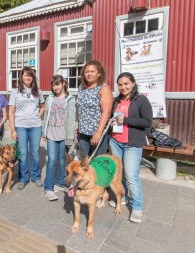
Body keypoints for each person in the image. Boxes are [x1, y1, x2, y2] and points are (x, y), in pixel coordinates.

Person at [108, 72, 152, 223]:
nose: (123, 87)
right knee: (119, 173)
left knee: (131, 176)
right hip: (116, 141)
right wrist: (112, 122)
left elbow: (147, 122)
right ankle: (123, 197)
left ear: (133, 84)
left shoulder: (141, 100)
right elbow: (113, 118)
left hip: (132, 144)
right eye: (120, 84)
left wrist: (125, 119)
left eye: (126, 84)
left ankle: (137, 208)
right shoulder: (116, 101)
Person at [9, 66, 45, 190]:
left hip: (35, 127)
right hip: (20, 127)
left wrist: (37, 117)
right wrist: (13, 129)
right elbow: (11, 112)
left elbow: (42, 107)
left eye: (30, 75)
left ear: (33, 77)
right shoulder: (15, 92)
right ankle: (23, 178)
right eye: (25, 75)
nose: (28, 77)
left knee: (35, 153)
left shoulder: (38, 92)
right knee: (23, 154)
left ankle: (35, 177)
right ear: (21, 77)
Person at [42, 75, 76, 201]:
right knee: (51, 161)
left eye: (57, 84)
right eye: (53, 85)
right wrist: (44, 133)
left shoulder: (70, 99)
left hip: (63, 136)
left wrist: (69, 138)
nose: (55, 87)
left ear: (63, 84)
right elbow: (46, 115)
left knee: (62, 160)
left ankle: (60, 182)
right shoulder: (50, 98)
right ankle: (48, 188)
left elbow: (71, 119)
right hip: (51, 134)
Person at [76, 60, 113, 157]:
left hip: (96, 131)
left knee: (97, 160)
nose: (89, 74)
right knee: (85, 161)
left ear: (99, 73)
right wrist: (79, 128)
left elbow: (106, 111)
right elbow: (81, 110)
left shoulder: (103, 88)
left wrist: (99, 132)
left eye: (92, 71)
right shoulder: (81, 88)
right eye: (86, 72)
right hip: (83, 131)